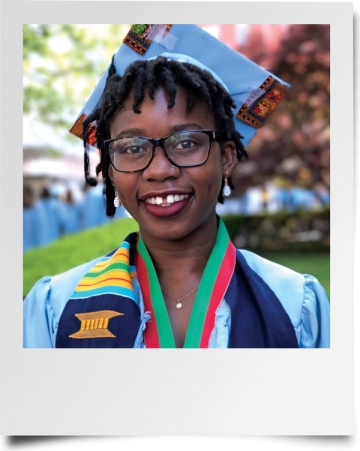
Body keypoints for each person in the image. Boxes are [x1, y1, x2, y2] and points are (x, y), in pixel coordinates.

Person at [23, 24, 330, 348]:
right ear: (110, 168)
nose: (159, 170)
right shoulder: (56, 307)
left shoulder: (296, 304)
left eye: (185, 143)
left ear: (226, 158)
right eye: (132, 147)